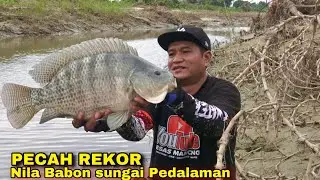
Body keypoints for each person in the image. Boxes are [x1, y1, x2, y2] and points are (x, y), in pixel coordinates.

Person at [72, 25, 241, 180]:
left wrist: (172, 96)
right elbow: (137, 130)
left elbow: (219, 123)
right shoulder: (156, 94)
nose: (176, 59)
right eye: (171, 53)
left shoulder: (224, 91)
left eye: (185, 51)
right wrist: (108, 121)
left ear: (206, 58)